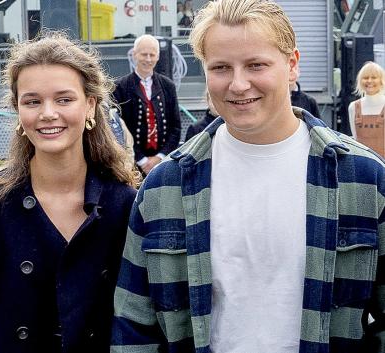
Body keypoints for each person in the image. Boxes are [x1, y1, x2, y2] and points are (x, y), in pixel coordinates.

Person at [111, 0, 385, 352]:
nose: (238, 84)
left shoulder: (364, 178)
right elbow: (134, 325)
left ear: (292, 65)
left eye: (256, 65)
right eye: (221, 67)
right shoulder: (164, 187)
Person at [0, 32, 138, 353]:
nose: (48, 113)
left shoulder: (126, 205)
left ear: (91, 106)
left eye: (64, 99)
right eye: (33, 101)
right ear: (17, 110)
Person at [113, 34, 181, 174]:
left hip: (162, 162)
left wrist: (160, 157)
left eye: (152, 55)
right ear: (134, 54)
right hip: (131, 163)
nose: (148, 59)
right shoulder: (120, 87)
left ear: (157, 57)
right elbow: (117, 128)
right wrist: (142, 160)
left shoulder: (168, 86)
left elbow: (176, 127)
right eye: (144, 54)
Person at [348, 61, 385, 156]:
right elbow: (355, 139)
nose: (369, 81)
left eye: (374, 77)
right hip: (363, 166)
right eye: (365, 78)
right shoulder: (353, 107)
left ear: (381, 80)